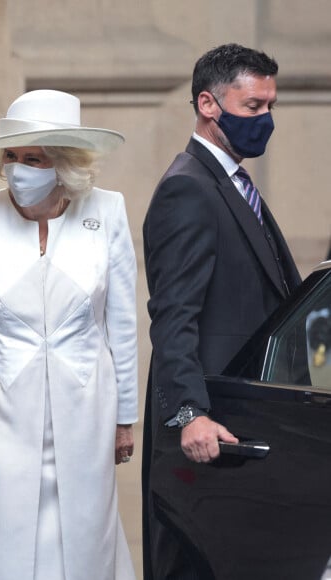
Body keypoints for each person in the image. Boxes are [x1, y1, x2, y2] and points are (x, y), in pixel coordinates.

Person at [0, 89, 138, 580]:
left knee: (82, 543)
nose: (18, 168)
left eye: (32, 158)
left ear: (65, 164)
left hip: (86, 410)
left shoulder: (109, 212)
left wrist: (125, 418)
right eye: (11, 156)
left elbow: (121, 324)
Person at [141, 44, 302, 580]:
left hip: (248, 423)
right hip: (209, 431)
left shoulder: (231, 182)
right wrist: (190, 412)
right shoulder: (188, 189)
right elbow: (173, 317)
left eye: (270, 107)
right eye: (253, 107)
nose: (266, 121)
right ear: (209, 104)